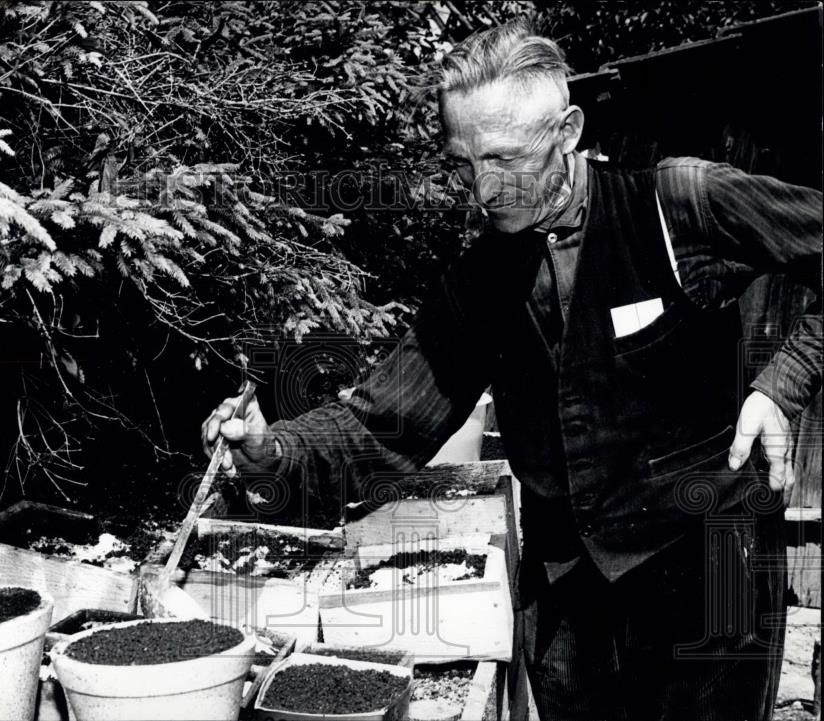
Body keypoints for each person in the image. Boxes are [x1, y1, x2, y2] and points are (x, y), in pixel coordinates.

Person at [201, 19, 822, 721]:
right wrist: (272, 447)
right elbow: (383, 424)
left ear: (569, 130)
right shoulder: (482, 281)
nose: (484, 190)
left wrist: (782, 384)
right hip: (571, 592)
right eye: (465, 164)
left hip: (713, 568)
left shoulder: (679, 204)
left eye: (503, 158)